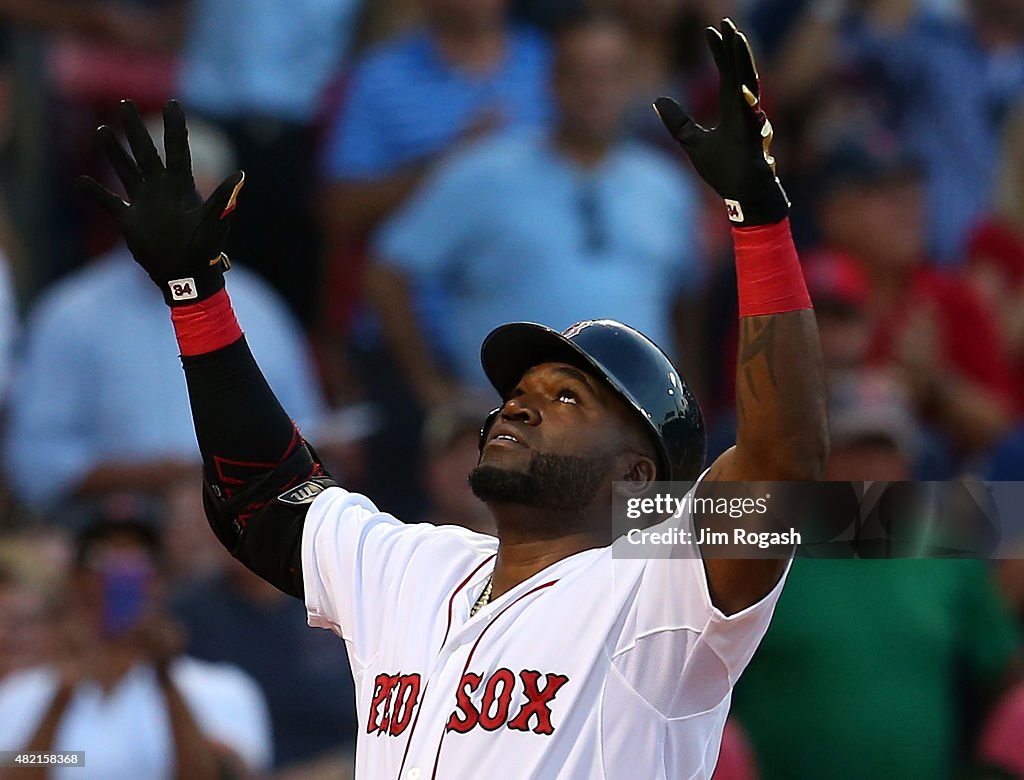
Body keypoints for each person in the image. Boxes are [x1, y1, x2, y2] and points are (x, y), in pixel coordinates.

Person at [77, 17, 827, 778]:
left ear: (638, 478)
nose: (519, 406)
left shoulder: (658, 591)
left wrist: (758, 224)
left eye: (569, 398)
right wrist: (195, 295)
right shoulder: (414, 565)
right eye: (518, 391)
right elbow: (262, 495)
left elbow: (783, 466)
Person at [367, 13, 703, 401]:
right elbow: (386, 271)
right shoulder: (484, 171)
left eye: (610, 75)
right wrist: (430, 388)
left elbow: (687, 303)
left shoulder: (668, 186)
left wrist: (688, 403)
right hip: (514, 419)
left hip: (636, 423)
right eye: (578, 74)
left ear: (633, 85)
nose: (594, 90)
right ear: (550, 82)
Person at [3, 116, 324, 510]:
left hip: (248, 534)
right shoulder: (70, 315)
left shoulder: (262, 310)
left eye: (200, 209)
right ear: (125, 206)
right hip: (113, 530)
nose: (186, 229)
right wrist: (162, 478)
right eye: (170, 211)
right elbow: (33, 464)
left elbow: (312, 444)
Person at [0, 497, 272, 779]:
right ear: (77, 582)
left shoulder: (221, 688)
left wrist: (165, 681)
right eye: (100, 560)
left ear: (159, 581)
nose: (116, 577)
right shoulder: (23, 693)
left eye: (137, 561)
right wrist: (61, 697)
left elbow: (218, 776)